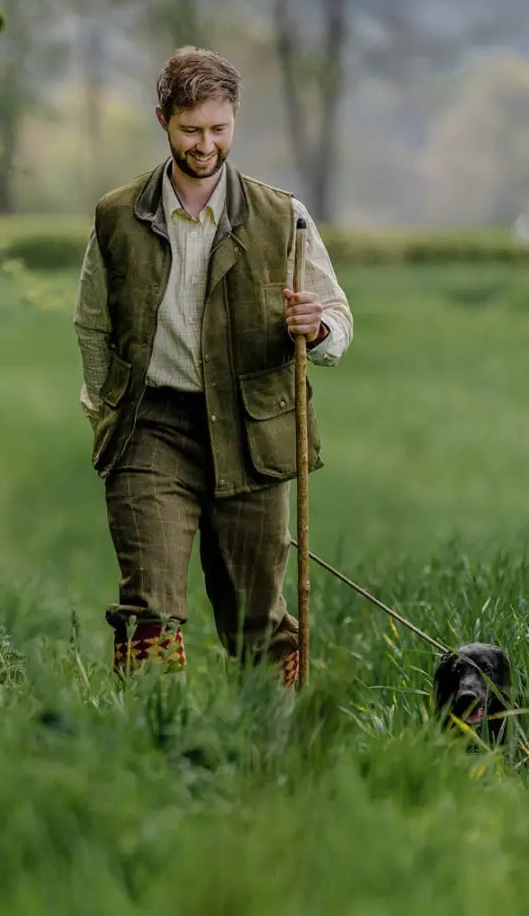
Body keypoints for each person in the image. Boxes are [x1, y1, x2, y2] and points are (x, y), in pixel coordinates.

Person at [73, 47, 353, 686]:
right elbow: (92, 321)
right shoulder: (117, 217)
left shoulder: (285, 216)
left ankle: (269, 756)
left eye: (218, 129)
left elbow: (337, 318)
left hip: (254, 432)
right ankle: (155, 743)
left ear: (236, 123)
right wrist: (104, 410)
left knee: (256, 618)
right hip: (151, 426)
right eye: (190, 130)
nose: (205, 145)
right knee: (149, 607)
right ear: (162, 120)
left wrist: (318, 327)